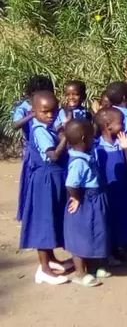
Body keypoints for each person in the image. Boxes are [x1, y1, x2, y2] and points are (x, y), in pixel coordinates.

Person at [20, 91, 71, 285]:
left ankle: (50, 259)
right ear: (34, 111)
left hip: (52, 180)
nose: (50, 115)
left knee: (50, 219)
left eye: (53, 111)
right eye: (45, 111)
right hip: (45, 181)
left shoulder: (48, 127)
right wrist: (66, 137)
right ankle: (44, 270)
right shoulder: (40, 131)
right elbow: (54, 156)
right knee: (43, 222)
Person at [63, 119, 110, 287]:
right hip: (85, 203)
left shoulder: (86, 156)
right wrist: (75, 198)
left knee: (96, 233)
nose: (94, 139)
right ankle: (80, 273)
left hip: (94, 201)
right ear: (84, 138)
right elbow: (70, 183)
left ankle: (95, 266)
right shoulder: (78, 162)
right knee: (80, 237)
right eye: (92, 136)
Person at [94, 107, 127, 260]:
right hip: (108, 190)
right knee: (109, 222)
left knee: (124, 218)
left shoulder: (122, 141)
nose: (123, 125)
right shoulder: (97, 147)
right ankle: (109, 252)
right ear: (108, 125)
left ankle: (119, 248)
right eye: (120, 123)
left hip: (124, 188)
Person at [12, 75, 55, 222]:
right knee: (31, 182)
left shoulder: (48, 106)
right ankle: (29, 214)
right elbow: (15, 125)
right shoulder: (24, 108)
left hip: (48, 147)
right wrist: (31, 115)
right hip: (33, 151)